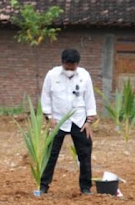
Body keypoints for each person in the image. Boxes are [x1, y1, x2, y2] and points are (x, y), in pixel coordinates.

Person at [40, 48, 97, 195]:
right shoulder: (52, 75)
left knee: (84, 154)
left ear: (77, 64)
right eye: (67, 67)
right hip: (57, 120)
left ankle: (85, 187)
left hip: (79, 120)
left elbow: (90, 98)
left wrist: (89, 120)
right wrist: (49, 117)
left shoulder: (85, 76)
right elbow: (45, 97)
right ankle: (43, 185)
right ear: (62, 63)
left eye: (73, 67)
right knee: (50, 154)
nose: (70, 70)